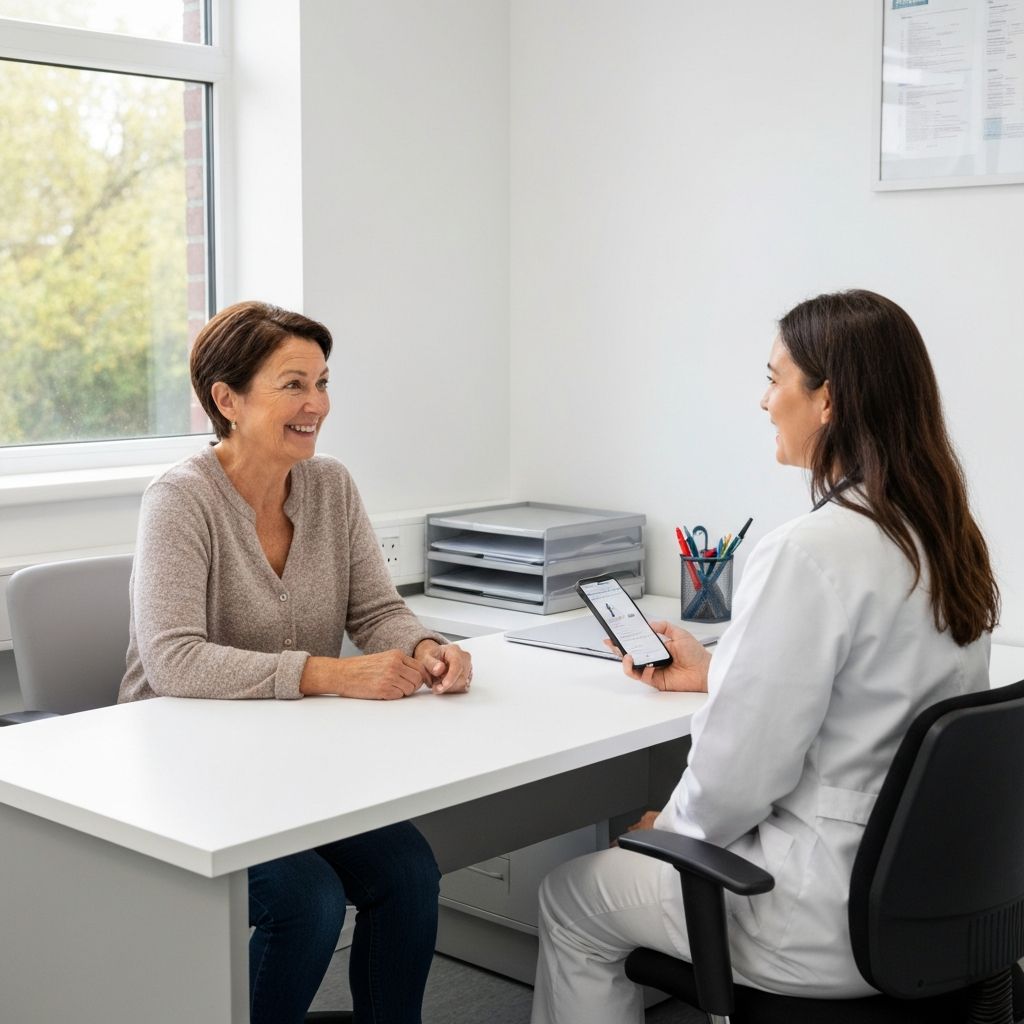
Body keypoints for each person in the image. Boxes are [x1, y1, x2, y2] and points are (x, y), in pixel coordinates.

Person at [530, 289, 1000, 1021]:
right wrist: (718, 671)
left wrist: (667, 833)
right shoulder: (942, 536)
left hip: (813, 913)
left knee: (570, 898)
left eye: (775, 377)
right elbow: (878, 699)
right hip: (925, 904)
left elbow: (735, 774)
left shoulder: (808, 552)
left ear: (828, 401)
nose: (763, 400)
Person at [119, 300, 473, 1024]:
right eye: (293, 385)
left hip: (292, 767)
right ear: (228, 399)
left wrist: (426, 647)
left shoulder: (330, 485)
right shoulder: (180, 501)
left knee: (408, 873)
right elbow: (173, 661)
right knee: (306, 903)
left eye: (322, 382)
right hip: (188, 776)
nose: (318, 404)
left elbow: (376, 611)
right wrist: (328, 673)